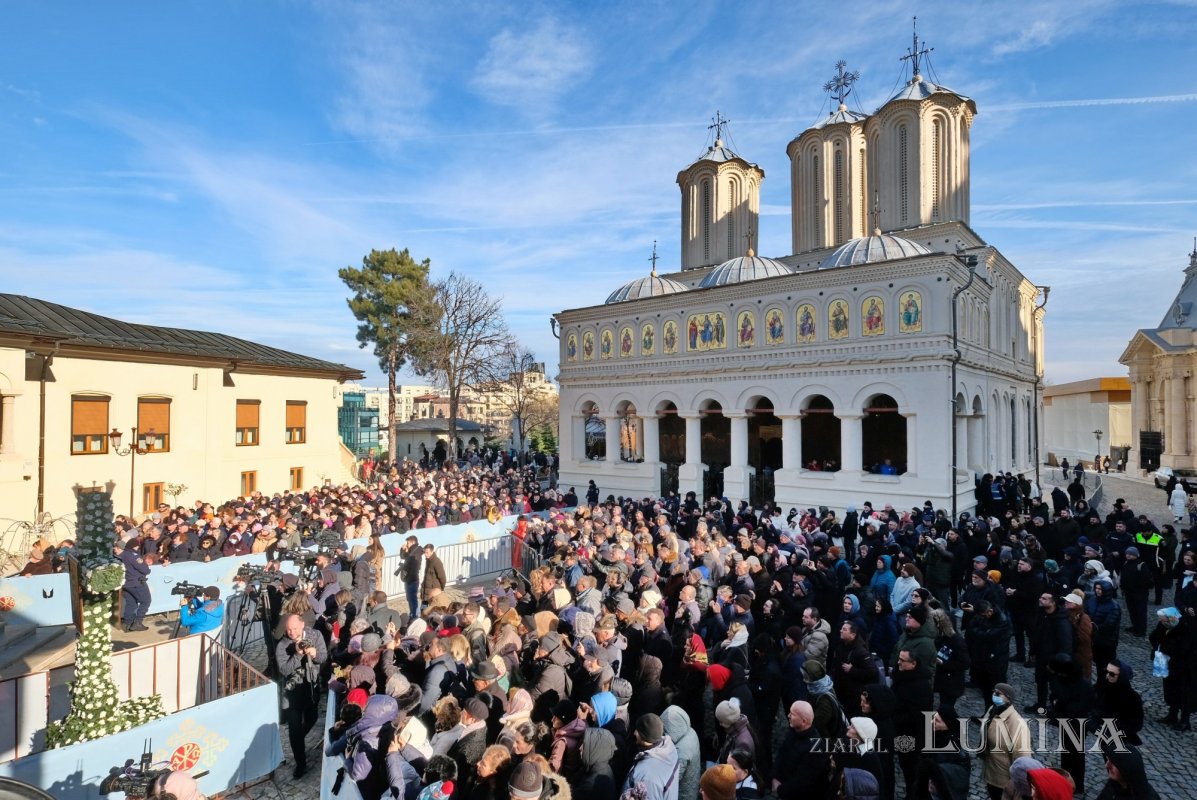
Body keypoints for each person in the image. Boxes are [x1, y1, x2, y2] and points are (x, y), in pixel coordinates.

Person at [276, 613, 328, 778]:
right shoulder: (283, 645)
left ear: (303, 625)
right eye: (289, 629)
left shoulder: (315, 635)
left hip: (311, 689)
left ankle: (298, 740)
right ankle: (300, 763)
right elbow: (284, 670)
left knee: (312, 718)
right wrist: (298, 654)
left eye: (295, 629)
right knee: (294, 730)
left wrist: (314, 654)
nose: (291, 632)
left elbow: (324, 657)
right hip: (292, 695)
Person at [979, 683, 1031, 800]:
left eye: (998, 694)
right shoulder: (993, 709)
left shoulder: (1016, 723)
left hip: (1004, 778)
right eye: (993, 692)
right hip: (992, 769)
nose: (994, 695)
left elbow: (1022, 756)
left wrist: (1017, 780)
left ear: (1008, 699)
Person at [622, 713, 681, 800]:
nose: (634, 733)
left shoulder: (648, 778)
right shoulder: (669, 750)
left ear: (645, 736)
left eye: (638, 731)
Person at [115, 539, 151, 632]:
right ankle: (137, 623)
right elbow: (145, 570)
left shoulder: (120, 555)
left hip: (125, 584)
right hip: (136, 583)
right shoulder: (133, 556)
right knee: (146, 601)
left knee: (131, 604)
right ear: (135, 546)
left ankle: (127, 624)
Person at [397, 535, 422, 618]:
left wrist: (408, 577)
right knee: (410, 598)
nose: (406, 544)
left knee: (412, 599)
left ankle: (414, 615)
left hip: (412, 579)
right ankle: (412, 613)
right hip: (409, 579)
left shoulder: (416, 551)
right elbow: (403, 556)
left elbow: (415, 567)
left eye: (408, 543)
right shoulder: (412, 550)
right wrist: (402, 550)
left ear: (413, 542)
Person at [421, 544, 447, 610]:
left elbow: (442, 577)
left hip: (433, 593)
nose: (425, 554)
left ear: (432, 552)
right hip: (426, 592)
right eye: (424, 552)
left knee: (432, 611)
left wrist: (440, 588)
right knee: (423, 610)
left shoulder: (437, 562)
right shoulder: (428, 561)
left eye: (427, 552)